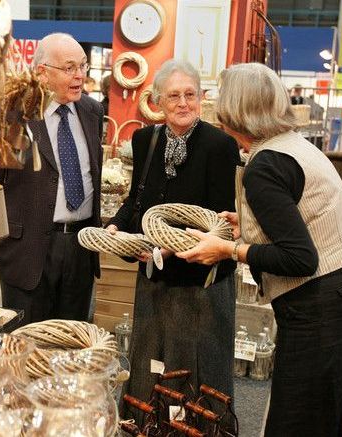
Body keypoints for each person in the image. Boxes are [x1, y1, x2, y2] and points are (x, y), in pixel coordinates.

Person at [176, 63, 342, 437]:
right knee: (326, 416)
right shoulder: (292, 145)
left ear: (235, 111)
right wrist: (246, 221)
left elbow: (300, 258)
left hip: (319, 311)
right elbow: (301, 213)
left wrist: (231, 249)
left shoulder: (264, 166)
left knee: (295, 421)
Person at [106, 59, 239, 415]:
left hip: (201, 282)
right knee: (149, 360)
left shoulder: (220, 145)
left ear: (201, 98)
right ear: (158, 102)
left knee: (196, 370)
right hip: (154, 275)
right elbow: (136, 199)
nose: (183, 103)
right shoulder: (144, 139)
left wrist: (172, 245)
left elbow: (221, 221)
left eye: (190, 95)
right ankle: (145, 422)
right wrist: (117, 229)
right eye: (174, 96)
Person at [0, 33, 104, 325]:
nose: (80, 75)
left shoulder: (92, 111)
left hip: (81, 247)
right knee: (25, 349)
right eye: (70, 68)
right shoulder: (13, 113)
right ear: (42, 72)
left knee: (70, 346)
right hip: (27, 252)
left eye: (83, 66)